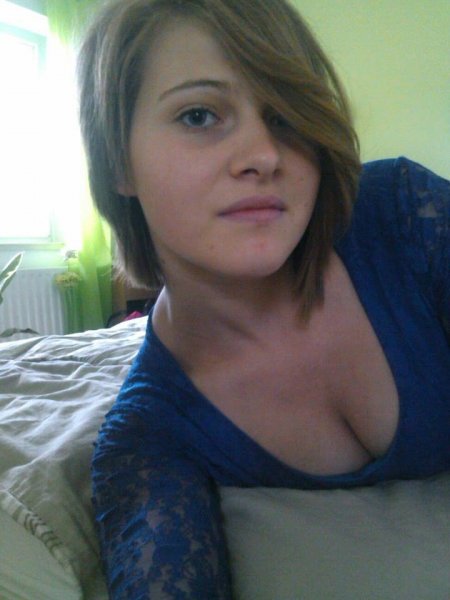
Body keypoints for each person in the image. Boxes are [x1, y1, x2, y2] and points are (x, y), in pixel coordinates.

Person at [77, 0, 450, 597]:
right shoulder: (149, 439)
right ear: (117, 157)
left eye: (284, 115)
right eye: (199, 115)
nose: (265, 155)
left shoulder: (408, 217)